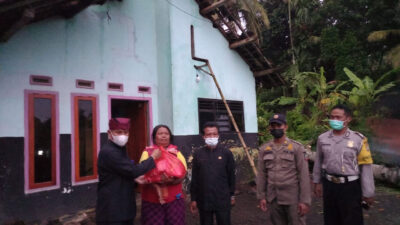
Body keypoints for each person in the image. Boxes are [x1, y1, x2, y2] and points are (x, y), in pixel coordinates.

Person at [312, 104, 375, 225]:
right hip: (329, 185)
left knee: (352, 219)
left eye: (338, 117)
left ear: (348, 119)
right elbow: (318, 161)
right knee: (331, 219)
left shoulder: (359, 139)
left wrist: (368, 192)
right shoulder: (322, 138)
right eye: (332, 117)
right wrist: (317, 182)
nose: (334, 120)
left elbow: (365, 167)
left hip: (350, 187)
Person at [96, 118, 161, 225]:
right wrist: (152, 158)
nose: (123, 135)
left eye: (125, 132)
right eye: (119, 132)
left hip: (123, 206)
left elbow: (123, 171)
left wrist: (135, 179)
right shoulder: (110, 151)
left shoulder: (120, 149)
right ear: (109, 133)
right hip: (112, 211)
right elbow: (132, 170)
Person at [256, 114, 311, 225]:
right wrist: (261, 196)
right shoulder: (264, 149)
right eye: (273, 126)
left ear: (285, 127)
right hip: (273, 198)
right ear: (269, 128)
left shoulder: (296, 148)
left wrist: (304, 201)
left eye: (278, 125)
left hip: (292, 199)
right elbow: (261, 175)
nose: (275, 128)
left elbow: (304, 175)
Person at [138, 124, 187, 225]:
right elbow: (141, 172)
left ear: (170, 137)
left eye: (166, 134)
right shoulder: (147, 152)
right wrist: (155, 180)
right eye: (160, 133)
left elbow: (183, 172)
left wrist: (173, 181)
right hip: (152, 199)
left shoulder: (176, 153)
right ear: (154, 137)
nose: (164, 136)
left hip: (174, 199)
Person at [190, 122, 236, 225]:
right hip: (204, 198)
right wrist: (193, 198)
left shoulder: (226, 153)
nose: (212, 137)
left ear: (218, 135)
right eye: (209, 134)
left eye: (214, 134)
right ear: (204, 136)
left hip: (222, 198)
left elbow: (231, 176)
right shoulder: (198, 154)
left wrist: (232, 195)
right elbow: (195, 178)